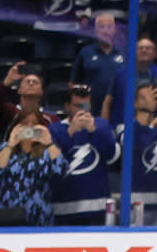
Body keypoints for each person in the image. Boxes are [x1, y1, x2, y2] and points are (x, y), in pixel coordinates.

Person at [48, 83, 118, 225]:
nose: (83, 111)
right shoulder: (54, 129)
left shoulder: (101, 125)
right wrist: (70, 132)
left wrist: (94, 131)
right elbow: (51, 162)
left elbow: (113, 157)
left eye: (85, 106)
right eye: (77, 106)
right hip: (63, 210)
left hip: (98, 208)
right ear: (67, 106)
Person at [0, 113, 65, 226]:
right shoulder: (6, 148)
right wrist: (11, 143)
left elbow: (62, 170)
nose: (29, 127)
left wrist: (49, 142)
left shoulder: (48, 151)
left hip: (40, 215)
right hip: (8, 214)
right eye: (24, 123)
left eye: (34, 123)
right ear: (16, 126)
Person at [128, 81, 157, 225]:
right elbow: (138, 143)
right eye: (145, 97)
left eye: (153, 97)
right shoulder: (127, 128)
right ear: (135, 103)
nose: (152, 99)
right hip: (137, 204)